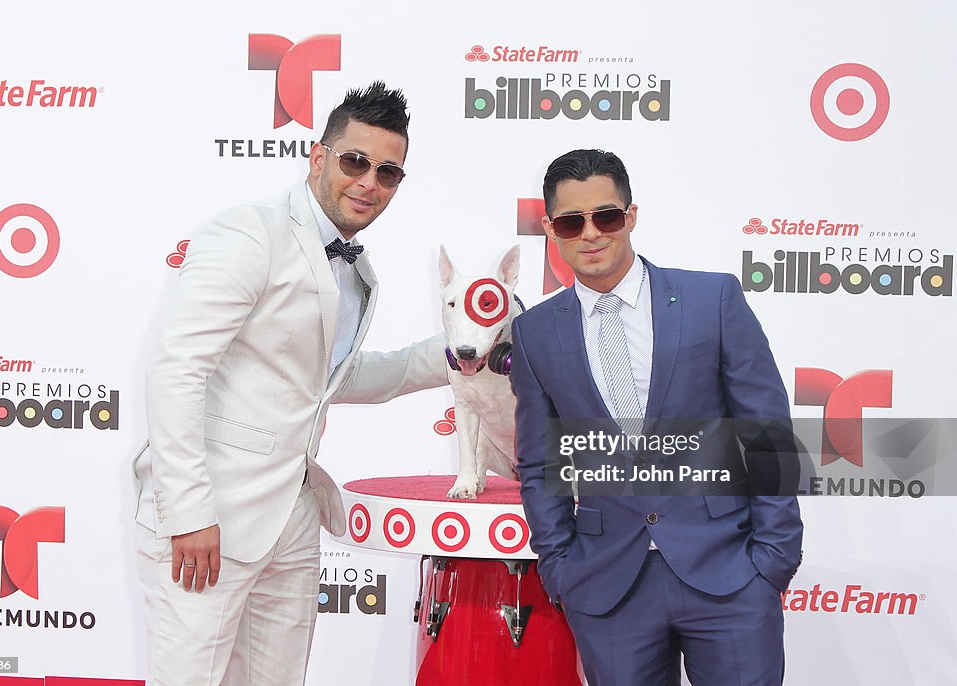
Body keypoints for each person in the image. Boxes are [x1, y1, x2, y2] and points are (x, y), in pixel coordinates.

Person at [132, 82, 447, 686]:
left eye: (388, 172)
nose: (368, 183)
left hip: (291, 522)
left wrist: (457, 358)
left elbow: (328, 381)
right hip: (209, 522)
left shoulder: (356, 269)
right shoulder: (251, 233)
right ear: (318, 156)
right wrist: (189, 513)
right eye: (356, 162)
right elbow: (177, 370)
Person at [510, 149, 803, 685]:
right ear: (551, 228)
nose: (592, 234)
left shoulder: (710, 299)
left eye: (607, 216)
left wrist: (773, 558)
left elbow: (767, 434)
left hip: (729, 572)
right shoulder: (535, 333)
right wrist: (560, 568)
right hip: (607, 586)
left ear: (632, 215)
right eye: (573, 222)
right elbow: (538, 463)